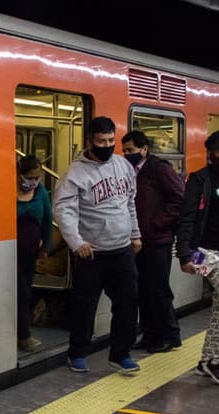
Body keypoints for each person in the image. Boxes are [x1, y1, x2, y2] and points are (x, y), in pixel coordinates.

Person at [54, 116, 142, 374]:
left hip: (122, 249)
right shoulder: (74, 173)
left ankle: (120, 353)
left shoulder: (124, 166)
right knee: (84, 306)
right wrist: (76, 242)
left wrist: (135, 234)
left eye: (111, 140)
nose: (107, 145)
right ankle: (78, 352)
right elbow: (64, 210)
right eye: (101, 141)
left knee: (128, 303)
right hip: (92, 253)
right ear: (90, 141)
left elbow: (129, 203)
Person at [121, 130, 185, 353]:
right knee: (143, 289)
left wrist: (158, 222)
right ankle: (150, 334)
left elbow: (180, 197)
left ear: (144, 149)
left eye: (131, 150)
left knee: (158, 289)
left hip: (158, 239)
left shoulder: (159, 169)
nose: (127, 154)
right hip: (140, 239)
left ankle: (169, 335)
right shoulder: (132, 172)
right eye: (125, 150)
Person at [176, 130, 219, 383]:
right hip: (204, 252)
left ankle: (209, 358)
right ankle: (212, 360)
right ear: (211, 154)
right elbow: (187, 218)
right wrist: (184, 255)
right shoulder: (200, 180)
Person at [16, 155, 53, 351]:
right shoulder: (6, 191)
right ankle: (23, 335)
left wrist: (45, 248)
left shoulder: (41, 194)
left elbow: (48, 221)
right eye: (30, 177)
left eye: (37, 177)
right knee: (20, 292)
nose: (34, 181)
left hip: (30, 253)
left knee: (25, 291)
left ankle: (22, 332)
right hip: (7, 253)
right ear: (18, 174)